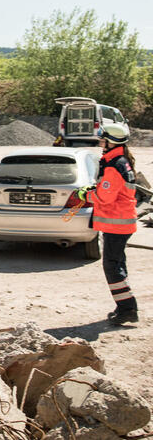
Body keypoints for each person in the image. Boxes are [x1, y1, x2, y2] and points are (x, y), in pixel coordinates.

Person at [76, 123, 138, 326]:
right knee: (117, 264)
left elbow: (105, 197)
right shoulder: (120, 161)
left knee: (112, 267)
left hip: (117, 224)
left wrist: (86, 195)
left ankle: (127, 309)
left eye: (103, 140)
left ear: (111, 142)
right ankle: (124, 306)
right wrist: (95, 190)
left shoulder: (113, 165)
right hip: (121, 223)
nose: (101, 143)